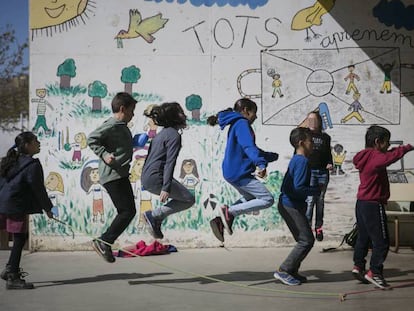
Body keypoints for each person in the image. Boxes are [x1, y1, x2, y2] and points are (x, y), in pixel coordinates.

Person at [206, 98, 278, 242]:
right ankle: (229, 212)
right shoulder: (242, 123)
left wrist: (268, 157)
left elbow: (247, 149)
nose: (256, 117)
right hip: (239, 172)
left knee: (251, 198)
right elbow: (248, 147)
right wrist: (261, 164)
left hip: (232, 171)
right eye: (254, 113)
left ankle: (221, 220)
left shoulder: (236, 124)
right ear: (245, 110)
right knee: (267, 199)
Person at [352, 125, 413, 288]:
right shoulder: (376, 157)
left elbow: (384, 156)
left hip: (362, 203)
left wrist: (390, 150)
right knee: (382, 242)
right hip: (373, 205)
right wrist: (408, 147)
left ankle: (358, 266)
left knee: (363, 238)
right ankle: (375, 272)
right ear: (378, 142)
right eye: (386, 143)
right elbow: (388, 158)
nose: (388, 146)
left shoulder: (364, 156)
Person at [87, 92, 137, 263]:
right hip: (113, 175)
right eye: (132, 110)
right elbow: (92, 139)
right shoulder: (113, 124)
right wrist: (104, 154)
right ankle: (104, 241)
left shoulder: (121, 125)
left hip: (119, 174)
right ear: (122, 109)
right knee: (127, 211)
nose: (133, 114)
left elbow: (119, 146)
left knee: (128, 211)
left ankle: (105, 241)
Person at [0, 132, 53, 289]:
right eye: (36, 141)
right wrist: (48, 209)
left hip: (4, 202)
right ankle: (12, 276)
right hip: (15, 204)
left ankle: (10, 268)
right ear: (27, 145)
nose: (39, 143)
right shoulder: (32, 165)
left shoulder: (12, 161)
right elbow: (39, 189)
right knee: (19, 238)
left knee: (19, 237)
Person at [273, 127, 321, 286]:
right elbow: (299, 187)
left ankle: (292, 270)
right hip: (290, 205)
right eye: (310, 141)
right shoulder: (302, 161)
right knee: (306, 240)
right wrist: (315, 190)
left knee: (304, 239)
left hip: (290, 204)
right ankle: (284, 270)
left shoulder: (296, 159)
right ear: (301, 143)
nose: (313, 144)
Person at [141, 102, 195, 239]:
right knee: (189, 199)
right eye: (180, 113)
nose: (184, 115)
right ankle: (154, 215)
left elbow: (149, 158)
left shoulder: (161, 134)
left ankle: (156, 218)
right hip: (157, 177)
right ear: (174, 117)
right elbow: (170, 162)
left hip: (147, 177)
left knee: (186, 198)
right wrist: (166, 187)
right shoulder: (174, 136)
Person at [304, 111, 333, 241]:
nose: (312, 122)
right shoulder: (304, 135)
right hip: (310, 172)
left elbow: (328, 153)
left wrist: (330, 163)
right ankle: (307, 228)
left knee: (320, 201)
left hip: (322, 173)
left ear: (319, 121)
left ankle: (319, 227)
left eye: (314, 119)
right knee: (310, 201)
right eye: (309, 119)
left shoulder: (325, 137)